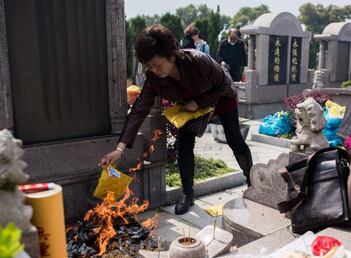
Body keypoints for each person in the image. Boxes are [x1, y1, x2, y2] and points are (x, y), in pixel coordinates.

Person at [100, 24, 253, 215]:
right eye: (150, 66)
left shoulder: (198, 60)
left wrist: (198, 102)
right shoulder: (153, 78)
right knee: (185, 147)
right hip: (188, 106)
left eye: (157, 64)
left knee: (234, 139)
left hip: (219, 96)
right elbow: (139, 110)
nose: (154, 70)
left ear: (171, 55)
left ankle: (252, 181)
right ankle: (187, 194)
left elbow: (224, 83)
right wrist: (119, 149)